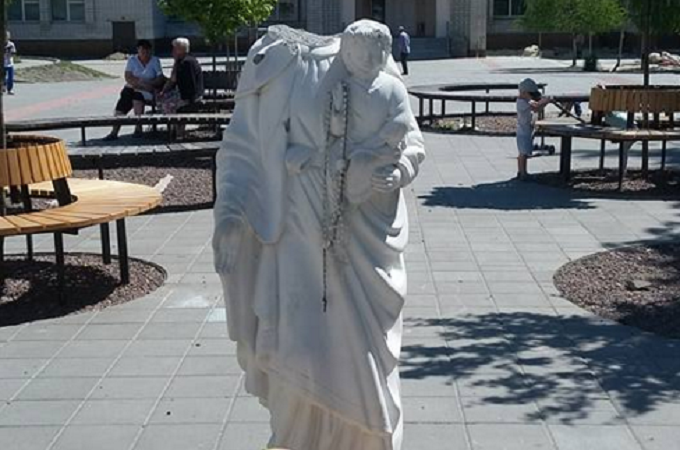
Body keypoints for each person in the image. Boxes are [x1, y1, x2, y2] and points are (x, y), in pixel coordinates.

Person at [213, 20, 425, 450]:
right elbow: (241, 149)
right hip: (296, 242)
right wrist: (232, 214)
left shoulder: (375, 61)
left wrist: (397, 170)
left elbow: (410, 141)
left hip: (364, 243)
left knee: (361, 360)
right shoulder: (272, 60)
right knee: (298, 352)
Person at [104, 40, 164, 141]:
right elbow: (128, 76)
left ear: (150, 51)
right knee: (125, 98)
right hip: (134, 87)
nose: (144, 54)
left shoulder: (155, 60)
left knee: (137, 96)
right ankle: (114, 131)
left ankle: (138, 127)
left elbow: (160, 78)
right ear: (138, 50)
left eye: (146, 51)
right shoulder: (132, 60)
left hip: (148, 91)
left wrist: (148, 84)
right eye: (142, 51)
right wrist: (140, 83)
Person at [516, 78, 552, 180]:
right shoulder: (521, 102)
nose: (531, 97)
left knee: (525, 152)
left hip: (527, 129)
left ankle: (522, 171)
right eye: (530, 94)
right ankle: (522, 173)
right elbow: (536, 107)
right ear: (524, 93)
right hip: (523, 131)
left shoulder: (526, 100)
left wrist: (543, 101)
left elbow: (537, 107)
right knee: (523, 153)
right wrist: (546, 101)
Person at [162, 37, 204, 113]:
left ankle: (175, 123)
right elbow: (173, 80)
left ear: (181, 49)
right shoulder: (184, 60)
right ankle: (176, 123)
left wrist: (175, 62)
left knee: (166, 104)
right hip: (187, 95)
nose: (172, 51)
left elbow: (174, 79)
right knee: (163, 99)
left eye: (175, 48)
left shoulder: (186, 62)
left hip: (191, 98)